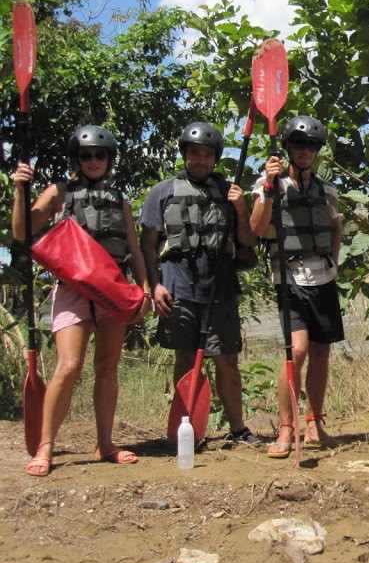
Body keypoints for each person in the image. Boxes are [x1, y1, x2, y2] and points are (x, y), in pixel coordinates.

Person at [12, 126, 151, 476]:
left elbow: (133, 250)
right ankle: (46, 447)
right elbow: (21, 231)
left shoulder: (120, 198)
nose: (93, 161)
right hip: (73, 290)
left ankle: (105, 443)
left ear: (109, 160)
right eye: (87, 155)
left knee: (107, 368)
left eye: (100, 155)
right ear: (77, 158)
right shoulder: (59, 192)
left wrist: (145, 289)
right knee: (69, 365)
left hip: (112, 290)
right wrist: (19, 189)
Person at [139, 122, 262, 447]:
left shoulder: (229, 191)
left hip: (220, 286)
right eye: (195, 153)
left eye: (208, 155)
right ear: (185, 155)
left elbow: (248, 241)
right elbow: (148, 244)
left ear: (216, 158)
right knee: (184, 358)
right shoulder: (162, 192)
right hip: (177, 285)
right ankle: (187, 429)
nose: (201, 160)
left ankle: (238, 428)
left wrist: (239, 206)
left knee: (227, 359)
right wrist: (154, 285)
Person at [251, 116, 344, 458]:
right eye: (299, 145)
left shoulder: (327, 190)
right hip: (288, 277)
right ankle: (286, 427)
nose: (305, 152)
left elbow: (336, 227)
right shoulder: (267, 185)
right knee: (298, 349)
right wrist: (269, 188)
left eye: (311, 147)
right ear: (288, 147)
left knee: (321, 351)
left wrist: (333, 258)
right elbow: (258, 228)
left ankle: (315, 422)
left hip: (323, 277)